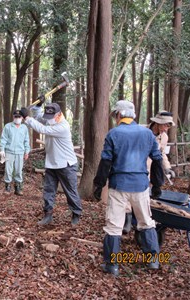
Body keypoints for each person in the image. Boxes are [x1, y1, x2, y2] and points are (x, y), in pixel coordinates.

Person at [93, 100, 165, 276]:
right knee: (146, 222)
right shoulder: (147, 134)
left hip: (119, 186)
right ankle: (153, 260)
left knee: (114, 226)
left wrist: (98, 184)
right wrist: (157, 184)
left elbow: (105, 163)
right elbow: (157, 159)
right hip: (140, 186)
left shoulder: (113, 134)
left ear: (118, 115)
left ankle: (112, 265)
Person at [22, 100, 82, 226]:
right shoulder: (51, 120)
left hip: (66, 164)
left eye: (51, 117)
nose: (48, 119)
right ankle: (48, 215)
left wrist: (27, 118)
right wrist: (38, 106)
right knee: (48, 191)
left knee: (70, 191)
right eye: (48, 117)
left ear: (59, 114)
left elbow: (43, 129)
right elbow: (39, 118)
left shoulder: (63, 127)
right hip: (51, 163)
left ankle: (76, 214)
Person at [122, 110, 176, 234]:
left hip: (152, 169)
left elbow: (162, 154)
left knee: (144, 195)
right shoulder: (141, 132)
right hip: (136, 167)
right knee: (129, 192)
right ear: (157, 123)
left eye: (168, 126)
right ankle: (127, 218)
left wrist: (167, 167)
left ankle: (141, 221)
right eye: (165, 125)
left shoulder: (164, 137)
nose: (167, 129)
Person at [0, 109, 30, 196]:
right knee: (8, 170)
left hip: (20, 152)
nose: (17, 118)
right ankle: (7, 187)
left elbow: (26, 141)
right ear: (13, 117)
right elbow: (3, 139)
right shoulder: (8, 126)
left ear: (22, 118)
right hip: (9, 151)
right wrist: (2, 149)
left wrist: (27, 152)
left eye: (19, 117)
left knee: (18, 170)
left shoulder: (24, 128)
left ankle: (18, 187)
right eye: (16, 117)